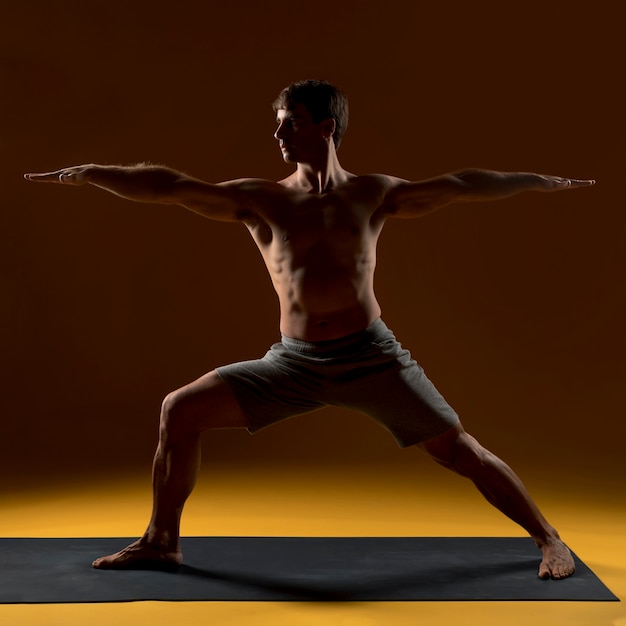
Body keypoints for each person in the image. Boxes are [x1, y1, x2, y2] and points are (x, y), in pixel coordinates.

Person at [25, 79, 594, 580]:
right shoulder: (261, 198)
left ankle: (549, 539)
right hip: (293, 363)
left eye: (290, 123)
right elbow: (171, 186)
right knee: (180, 410)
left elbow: (462, 184)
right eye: (277, 125)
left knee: (457, 450)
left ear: (326, 127)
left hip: (373, 358)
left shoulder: (372, 194)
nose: (279, 135)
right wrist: (91, 173)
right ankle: (161, 542)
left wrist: (537, 181)